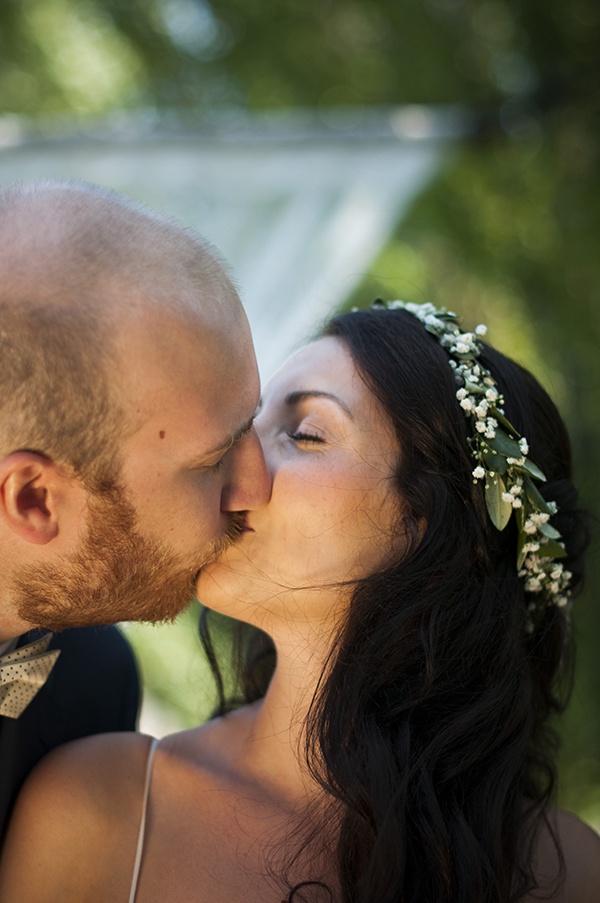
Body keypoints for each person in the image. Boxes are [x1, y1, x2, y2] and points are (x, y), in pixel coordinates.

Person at [1, 300, 598, 902]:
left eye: (306, 434)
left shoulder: (572, 874)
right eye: (246, 429)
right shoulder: (102, 808)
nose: (233, 465)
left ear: (443, 528)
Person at [0, 180, 270, 841]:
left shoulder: (94, 686)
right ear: (35, 500)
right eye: (212, 459)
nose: (259, 485)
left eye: (253, 421)